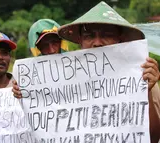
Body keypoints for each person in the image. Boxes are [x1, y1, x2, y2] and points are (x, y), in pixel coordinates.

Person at [57, 1, 160, 142]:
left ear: (119, 39)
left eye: (106, 35)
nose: (97, 42)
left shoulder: (141, 75)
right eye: (89, 35)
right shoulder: (63, 79)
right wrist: (28, 94)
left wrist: (147, 92)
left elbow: (153, 137)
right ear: (80, 41)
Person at [12, 19, 69, 95]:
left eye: (55, 42)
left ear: (62, 43)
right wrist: (20, 93)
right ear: (37, 49)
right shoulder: (28, 78)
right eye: (44, 45)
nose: (51, 50)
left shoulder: (78, 67)